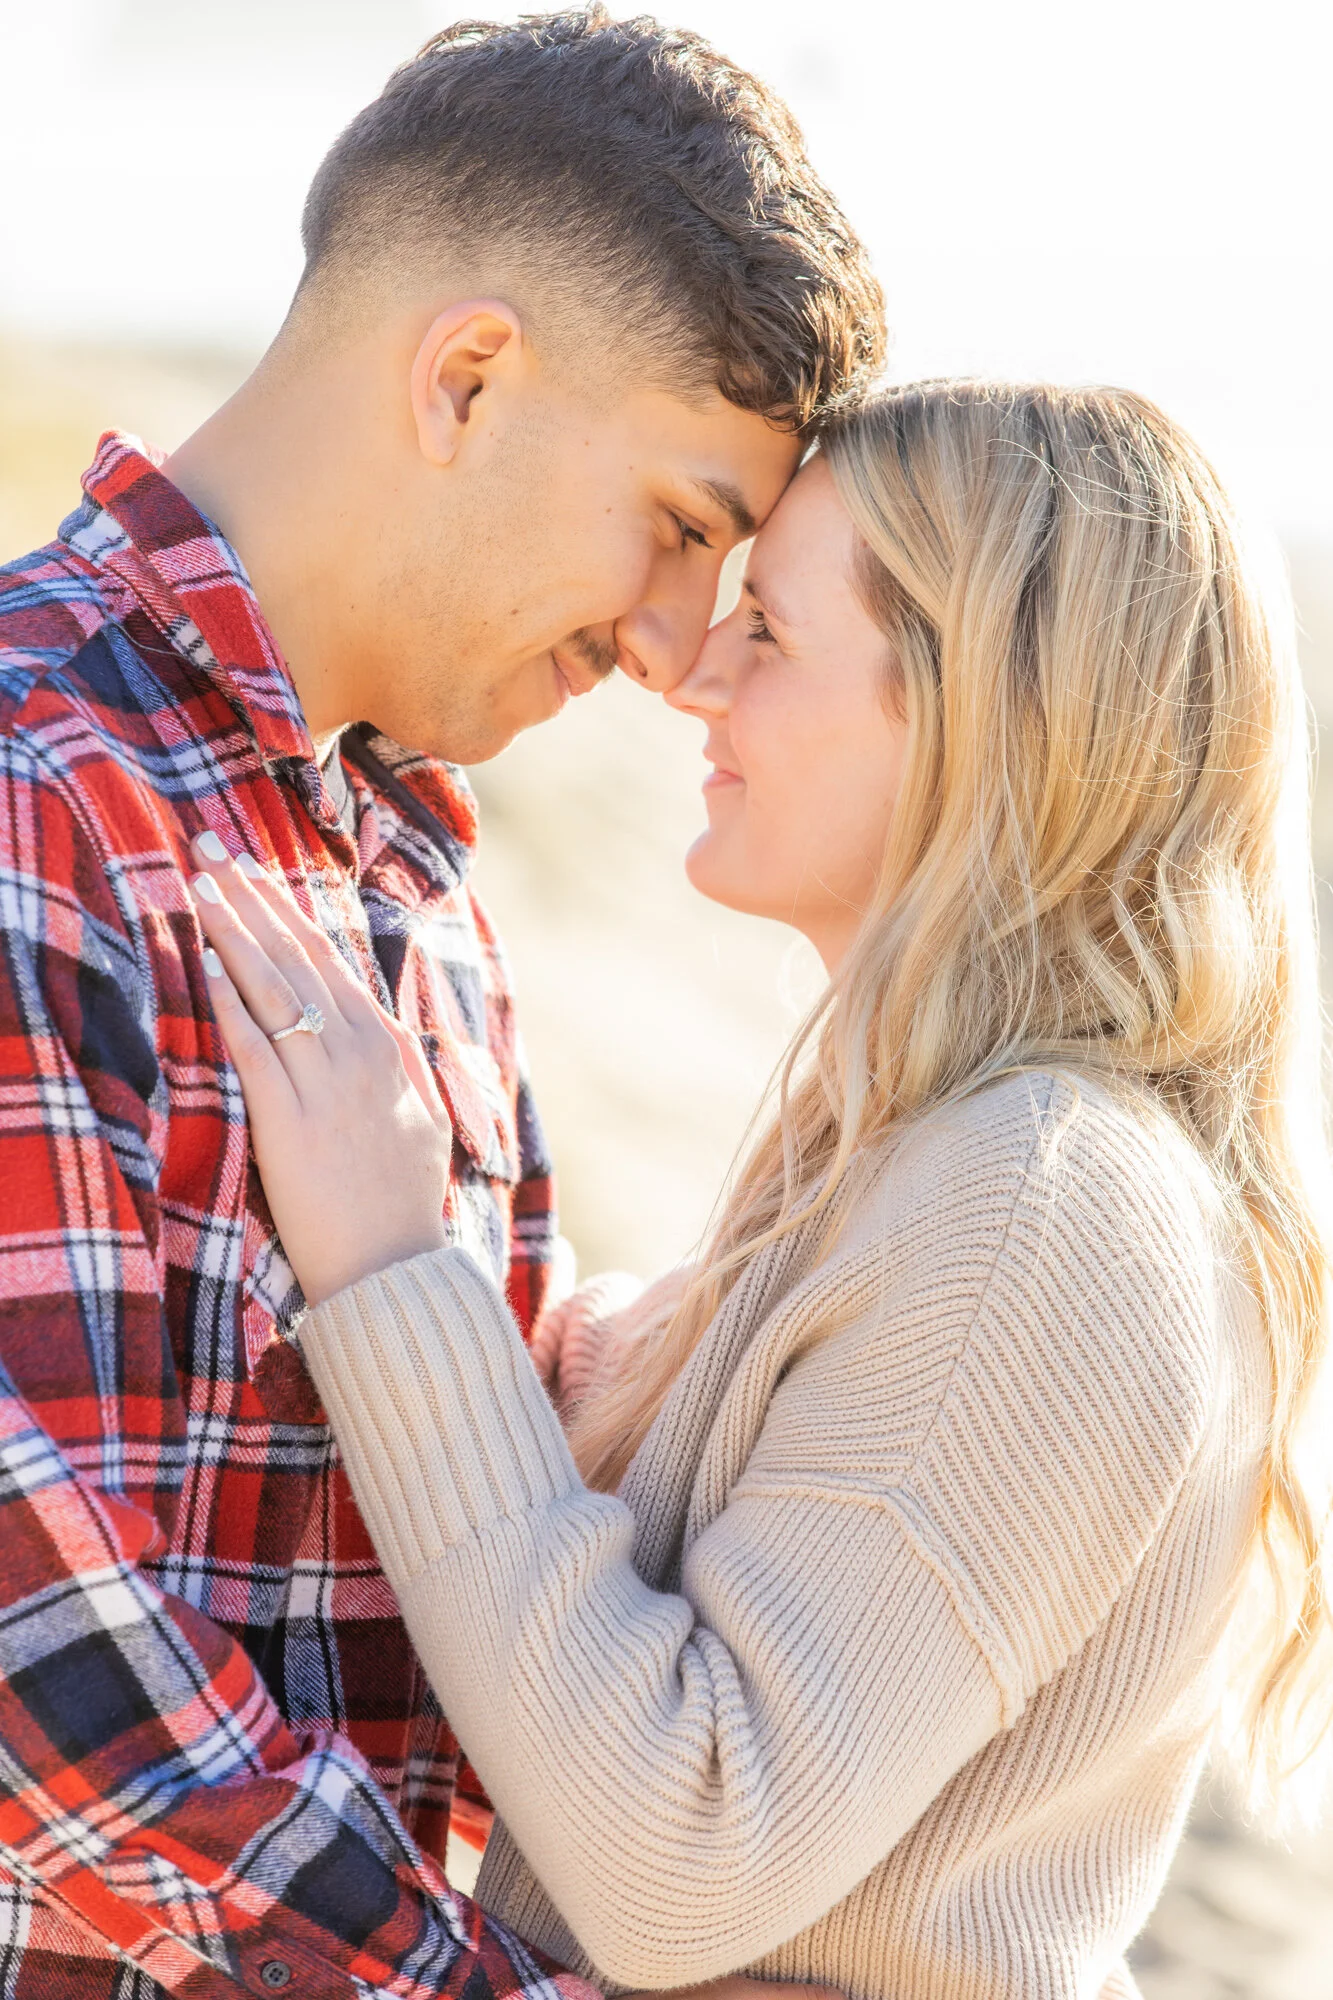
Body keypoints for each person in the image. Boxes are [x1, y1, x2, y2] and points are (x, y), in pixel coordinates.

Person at [189, 381, 1333, 2000]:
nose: (697, 677)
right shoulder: (942, 1159)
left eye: (774, 636)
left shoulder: (1042, 1203)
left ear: (975, 710)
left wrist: (391, 1263)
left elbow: (686, 1846)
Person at [0, 12, 885, 1998]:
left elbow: (484, 1515)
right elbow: (41, 1653)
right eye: (678, 525)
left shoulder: (412, 873)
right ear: (470, 376)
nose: (678, 651)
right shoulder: (28, 783)